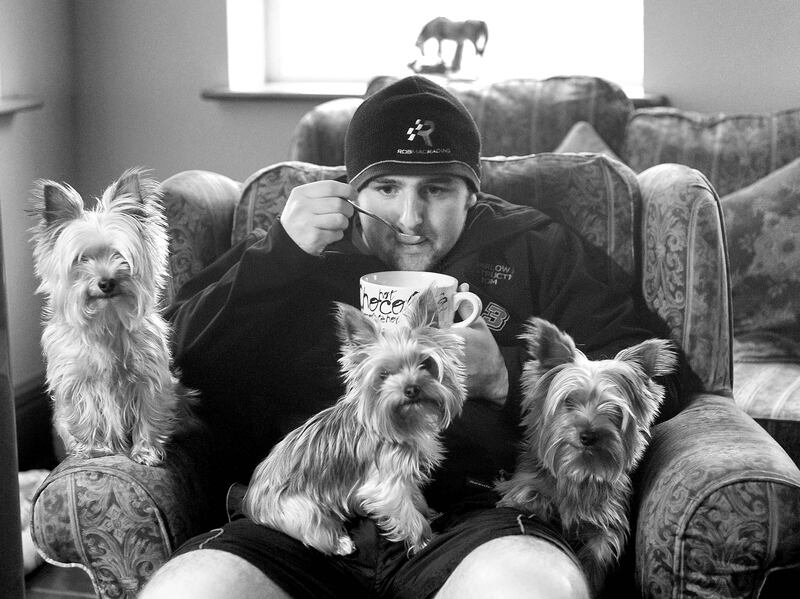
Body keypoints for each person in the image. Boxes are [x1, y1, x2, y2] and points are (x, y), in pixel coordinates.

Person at [141, 76, 688, 599]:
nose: (410, 218)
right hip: (299, 522)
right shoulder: (291, 252)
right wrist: (276, 256)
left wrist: (507, 375)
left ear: (472, 193)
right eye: (385, 188)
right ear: (354, 191)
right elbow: (166, 364)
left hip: (477, 524)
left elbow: (667, 382)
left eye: (437, 189)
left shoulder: (536, 247)